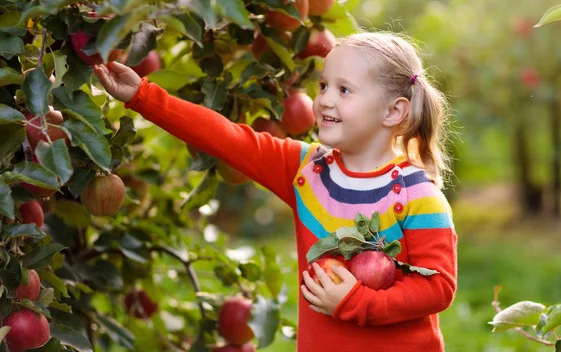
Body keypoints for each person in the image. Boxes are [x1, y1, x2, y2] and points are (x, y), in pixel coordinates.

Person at [94, 32, 457, 352]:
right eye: (323, 86)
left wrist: (359, 302)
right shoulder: (309, 171)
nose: (325, 100)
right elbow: (227, 138)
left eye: (344, 90)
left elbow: (438, 287)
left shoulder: (417, 196)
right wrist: (143, 96)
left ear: (394, 111)